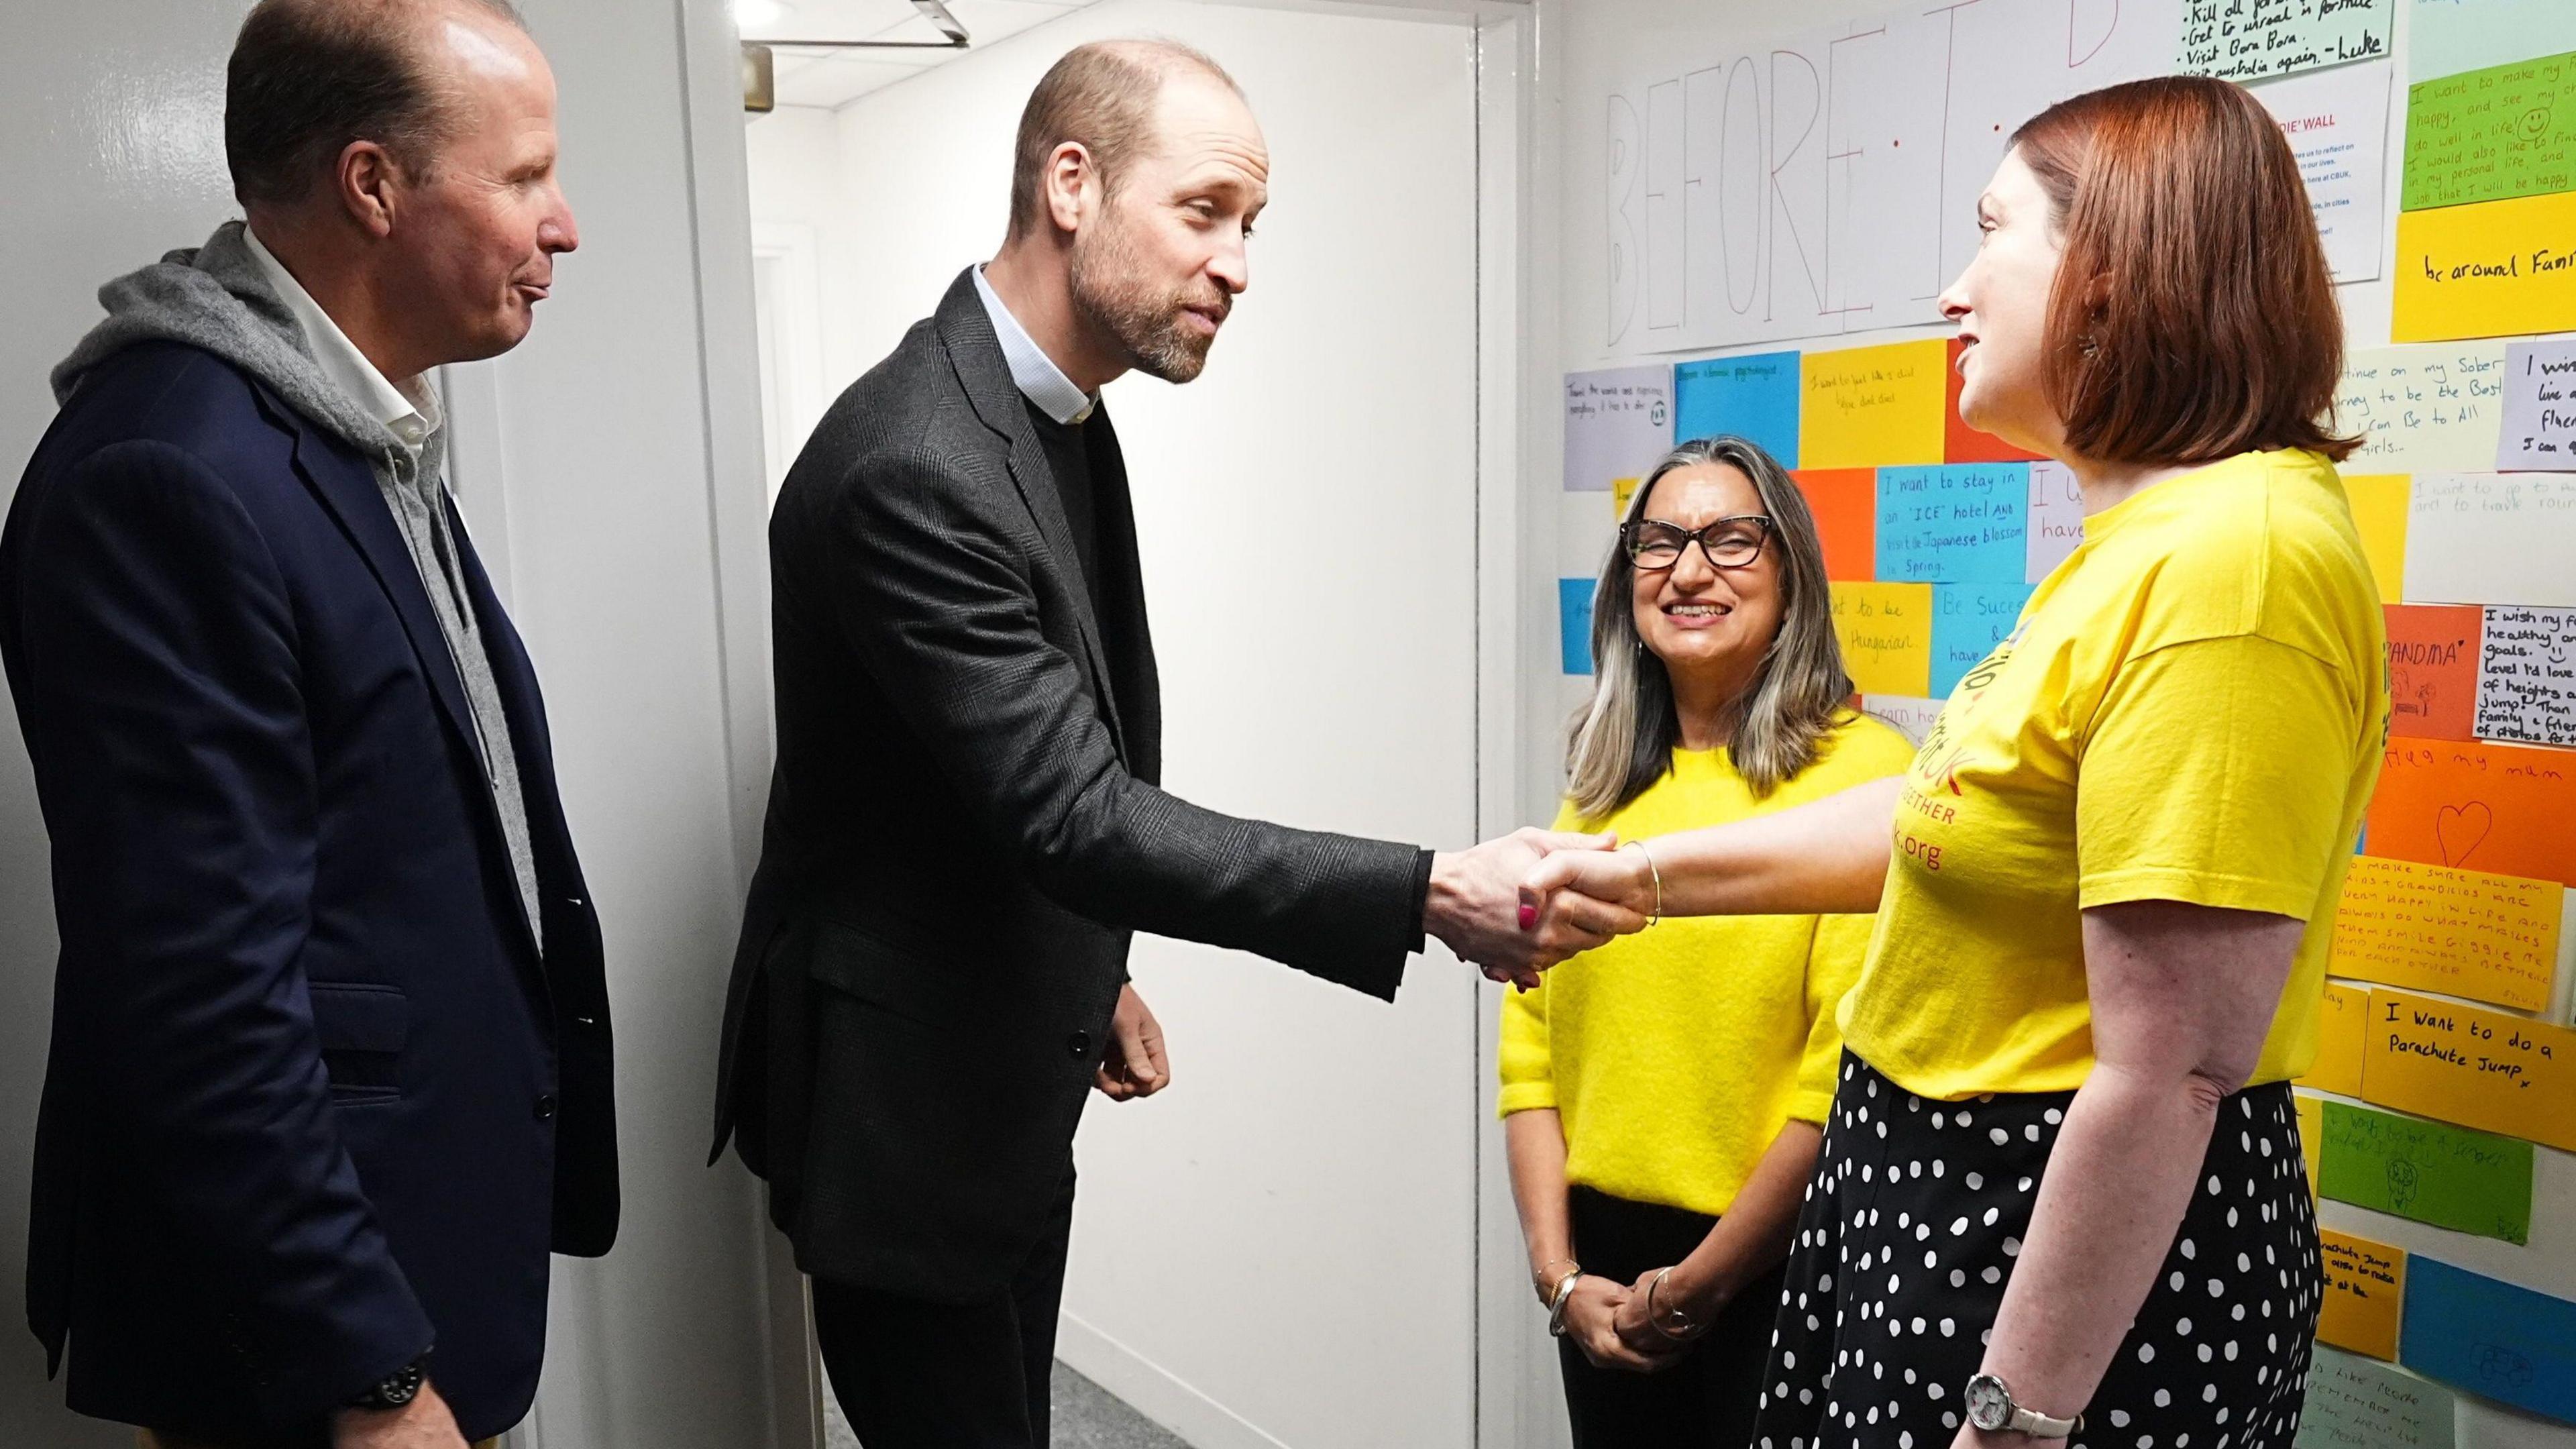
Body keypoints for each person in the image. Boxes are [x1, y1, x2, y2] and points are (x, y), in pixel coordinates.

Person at [705, 38, 1599, 1449]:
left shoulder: (1053, 409)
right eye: (1205, 213)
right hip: (905, 1118)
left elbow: (1022, 765)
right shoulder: (913, 463)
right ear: (1072, 183)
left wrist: (1093, 964)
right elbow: (1075, 814)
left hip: (1005, 1066)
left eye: (1251, 227)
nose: (1239, 264)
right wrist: (1429, 888)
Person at [1523, 75, 2385, 1449]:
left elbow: (2172, 1070)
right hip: (1943, 1216)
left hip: (2043, 1252)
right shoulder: (2143, 549)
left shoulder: (2239, 565)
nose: (1954, 291)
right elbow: (1942, 822)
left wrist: (2017, 1417)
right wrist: (1616, 877)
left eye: (1994, 233)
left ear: (2115, 266)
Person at [0, 2, 609, 1446]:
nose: (565, 223)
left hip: (401, 1270)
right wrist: (372, 1377)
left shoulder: (352, 424)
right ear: (373, 186)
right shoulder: (171, 475)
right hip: (299, 1348)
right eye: (524, 177)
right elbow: (197, 1001)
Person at [1504, 436, 1915, 1446]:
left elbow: (1839, 1079)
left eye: (1732, 540)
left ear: (1792, 576)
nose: (1689, 571)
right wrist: (1561, 1281)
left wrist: (1699, 1286)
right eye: (1659, 543)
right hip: (1600, 1258)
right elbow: (1529, 1053)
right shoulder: (1601, 785)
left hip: (1778, 1262)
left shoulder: (1867, 782)